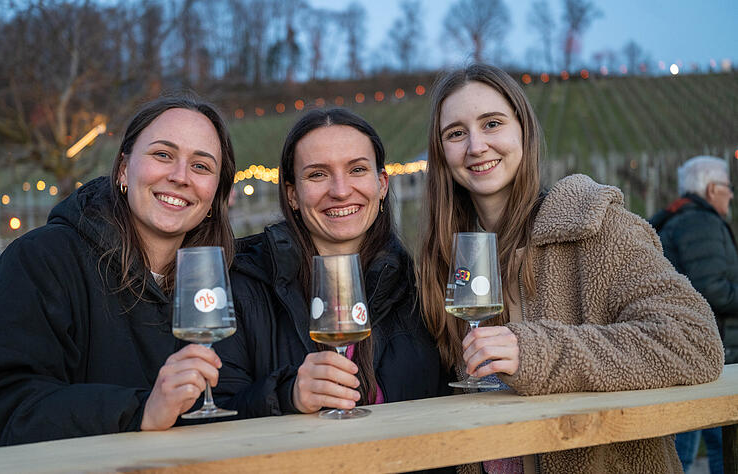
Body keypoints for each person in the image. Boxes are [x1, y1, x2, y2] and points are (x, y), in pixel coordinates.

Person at [417, 64, 724, 473]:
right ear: (441, 152)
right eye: (456, 133)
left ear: (522, 131)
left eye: (492, 123)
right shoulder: (446, 262)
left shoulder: (594, 226)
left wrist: (535, 351)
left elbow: (694, 341)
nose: (476, 146)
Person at [0, 94, 237, 448]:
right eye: (163, 155)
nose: (180, 176)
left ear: (215, 194)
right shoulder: (41, 260)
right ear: (124, 169)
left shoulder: (221, 281)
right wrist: (141, 411)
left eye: (201, 166)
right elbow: (0, 414)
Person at [213, 108, 449, 419]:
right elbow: (214, 412)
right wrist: (288, 395)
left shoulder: (420, 291)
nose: (339, 191)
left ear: (382, 185)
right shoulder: (241, 286)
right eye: (318, 174)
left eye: (357, 170)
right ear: (292, 194)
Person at [650, 155, 736, 474]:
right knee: (697, 449)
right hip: (708, 353)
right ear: (713, 188)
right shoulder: (701, 222)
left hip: (686, 351)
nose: (731, 194)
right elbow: (711, 290)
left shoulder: (677, 218)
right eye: (728, 187)